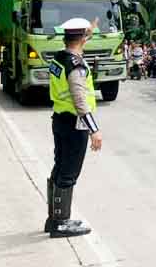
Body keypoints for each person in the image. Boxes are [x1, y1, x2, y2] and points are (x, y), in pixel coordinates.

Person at [45, 18, 103, 239]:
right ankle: (61, 223)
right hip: (73, 124)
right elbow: (80, 100)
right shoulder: (76, 66)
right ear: (81, 40)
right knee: (69, 172)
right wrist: (94, 130)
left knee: (59, 168)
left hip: (59, 119)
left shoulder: (59, 58)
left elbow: (80, 39)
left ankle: (54, 218)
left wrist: (90, 29)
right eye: (86, 37)